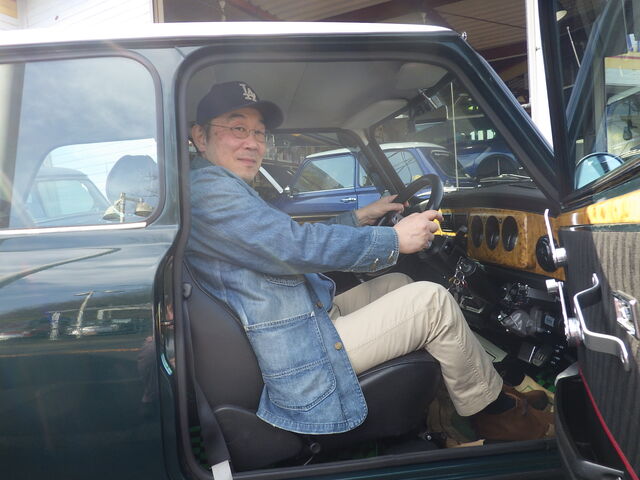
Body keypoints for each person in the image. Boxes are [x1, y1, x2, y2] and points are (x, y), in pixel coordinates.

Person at [186, 81, 552, 441]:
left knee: (398, 283)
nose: (252, 142)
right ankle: (499, 416)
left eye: (259, 132)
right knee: (433, 302)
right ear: (201, 137)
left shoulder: (219, 186)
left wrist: (361, 216)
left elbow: (285, 237)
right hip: (296, 353)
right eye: (237, 129)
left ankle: (456, 403)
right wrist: (394, 238)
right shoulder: (210, 191)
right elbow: (293, 245)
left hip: (296, 321)